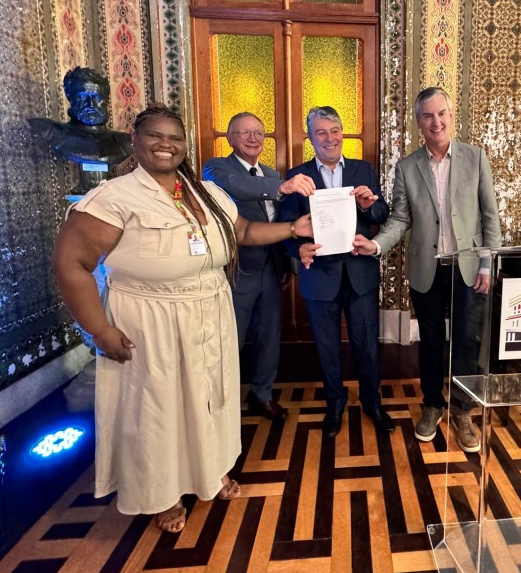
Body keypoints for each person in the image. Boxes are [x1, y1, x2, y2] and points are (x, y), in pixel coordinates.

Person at [52, 104, 312, 533]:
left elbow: (243, 232)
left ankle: (211, 471)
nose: (165, 144)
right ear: (135, 141)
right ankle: (162, 494)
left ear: (184, 145)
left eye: (174, 137)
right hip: (150, 321)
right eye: (155, 135)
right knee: (158, 409)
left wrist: (292, 229)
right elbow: (70, 263)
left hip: (210, 312)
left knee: (210, 398)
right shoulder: (115, 197)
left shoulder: (205, 193)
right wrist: (99, 329)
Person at [352, 87, 501, 452]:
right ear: (418, 121)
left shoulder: (475, 158)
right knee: (431, 343)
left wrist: (487, 263)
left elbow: (490, 217)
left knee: (467, 341)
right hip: (427, 269)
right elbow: (400, 218)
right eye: (428, 116)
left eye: (441, 113)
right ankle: (432, 404)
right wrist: (376, 245)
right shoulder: (407, 167)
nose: (436, 122)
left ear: (451, 115)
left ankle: (463, 410)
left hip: (468, 267)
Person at [278, 106, 393, 438]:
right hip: (319, 278)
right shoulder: (297, 176)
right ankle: (335, 405)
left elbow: (381, 212)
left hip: (360, 274)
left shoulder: (362, 169)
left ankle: (372, 403)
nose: (329, 138)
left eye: (334, 131)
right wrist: (297, 250)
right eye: (321, 132)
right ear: (310, 137)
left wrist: (369, 206)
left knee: (366, 345)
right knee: (327, 347)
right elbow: (285, 228)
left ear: (342, 132)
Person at [202, 112, 316, 421]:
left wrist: (289, 264)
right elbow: (238, 186)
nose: (253, 138)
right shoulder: (217, 168)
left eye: (258, 133)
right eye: (245, 132)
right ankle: (220, 406)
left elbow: (283, 223)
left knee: (269, 337)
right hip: (237, 272)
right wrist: (282, 186)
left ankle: (262, 395)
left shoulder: (272, 174)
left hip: (272, 269)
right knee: (230, 341)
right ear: (230, 138)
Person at [28, 66, 133, 194]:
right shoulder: (53, 132)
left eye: (97, 97)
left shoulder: (124, 141)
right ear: (70, 98)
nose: (91, 104)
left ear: (106, 100)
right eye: (83, 96)